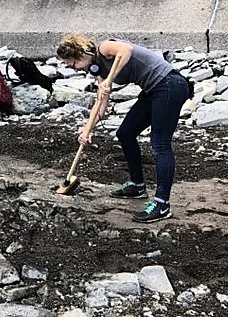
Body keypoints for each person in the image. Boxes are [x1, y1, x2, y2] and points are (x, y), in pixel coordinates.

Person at [56, 33, 192, 223]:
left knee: (160, 144)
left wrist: (109, 82)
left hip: (171, 85)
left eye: (73, 64)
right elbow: (100, 105)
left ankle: (162, 204)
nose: (74, 68)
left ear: (82, 54)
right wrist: (87, 130)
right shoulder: (101, 73)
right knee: (125, 133)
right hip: (153, 90)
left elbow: (126, 50)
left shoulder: (104, 48)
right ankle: (137, 185)